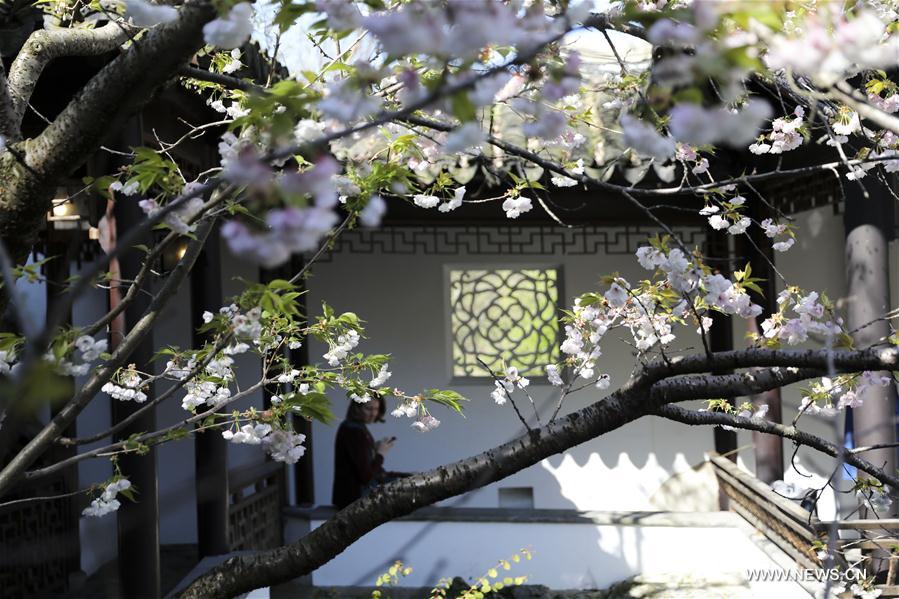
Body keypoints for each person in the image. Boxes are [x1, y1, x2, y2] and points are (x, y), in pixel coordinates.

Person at [332, 396, 401, 508]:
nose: (373, 413)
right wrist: (380, 454)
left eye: (376, 409)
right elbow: (366, 477)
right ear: (357, 408)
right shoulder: (354, 431)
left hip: (349, 497)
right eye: (369, 409)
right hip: (355, 500)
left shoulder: (354, 427)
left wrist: (372, 450)